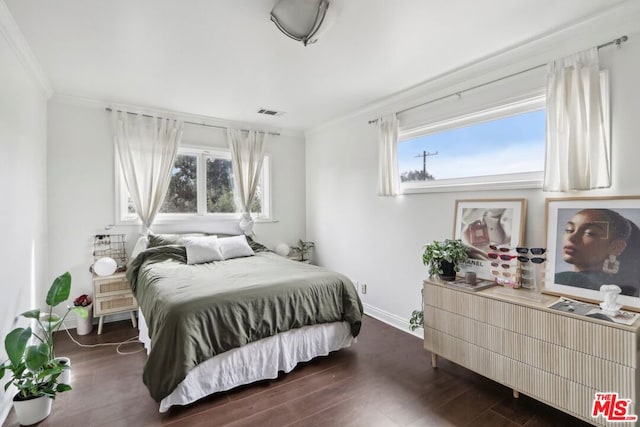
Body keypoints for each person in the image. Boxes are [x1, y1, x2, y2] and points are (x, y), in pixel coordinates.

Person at [555, 209, 640, 297]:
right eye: (569, 230)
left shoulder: (567, 280)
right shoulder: (620, 290)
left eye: (589, 233)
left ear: (616, 247)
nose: (571, 238)